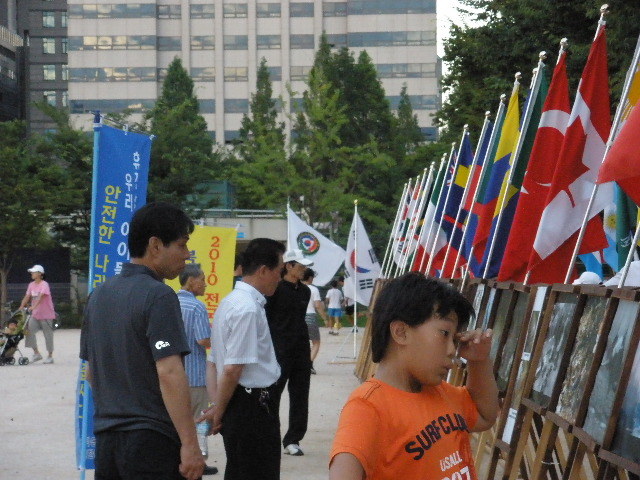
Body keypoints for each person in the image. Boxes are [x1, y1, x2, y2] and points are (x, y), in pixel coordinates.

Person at [329, 272, 498, 479]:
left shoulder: (443, 393)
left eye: (455, 340)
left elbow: (484, 417)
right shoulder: (368, 407)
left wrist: (479, 361)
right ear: (401, 332)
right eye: (444, 334)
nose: (452, 350)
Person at [80, 202, 205, 480]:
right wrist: (190, 444)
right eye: (182, 245)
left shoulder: (98, 295)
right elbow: (169, 372)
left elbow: (91, 374)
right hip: (152, 441)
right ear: (155, 245)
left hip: (107, 442)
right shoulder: (159, 295)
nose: (187, 254)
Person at [201, 238, 285, 480]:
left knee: (239, 470)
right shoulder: (247, 308)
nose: (280, 278)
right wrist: (219, 412)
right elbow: (232, 369)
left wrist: (218, 406)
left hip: (239, 403)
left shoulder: (229, 302)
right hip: (251, 407)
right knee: (257, 472)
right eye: (279, 271)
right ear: (263, 271)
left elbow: (213, 362)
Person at [266, 249, 313, 457]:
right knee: (273, 395)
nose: (304, 270)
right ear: (289, 266)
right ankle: (270, 437)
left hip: (301, 350)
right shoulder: (274, 290)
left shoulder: (305, 291)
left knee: (300, 395)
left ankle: (293, 439)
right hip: (279, 350)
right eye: (300, 266)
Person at [177, 264, 219, 476]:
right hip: (195, 374)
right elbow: (203, 339)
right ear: (191, 281)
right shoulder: (197, 307)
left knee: (178, 420)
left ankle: (178, 459)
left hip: (175, 373)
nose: (205, 284)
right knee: (199, 422)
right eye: (202, 279)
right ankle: (198, 461)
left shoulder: (171, 301)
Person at [19, 264, 56, 364]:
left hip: (46, 315)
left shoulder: (44, 284)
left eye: (34, 272)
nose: (32, 273)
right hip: (35, 314)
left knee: (48, 335)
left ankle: (50, 356)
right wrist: (21, 306)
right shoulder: (31, 285)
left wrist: (33, 307)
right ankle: (36, 353)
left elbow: (41, 297)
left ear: (40, 274)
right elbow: (27, 296)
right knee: (28, 331)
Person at [301, 268, 329, 375]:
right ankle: (309, 364)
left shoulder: (297, 288)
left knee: (303, 343)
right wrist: (325, 318)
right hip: (310, 316)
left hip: (299, 317)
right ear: (310, 278)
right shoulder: (313, 289)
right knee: (316, 342)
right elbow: (317, 305)